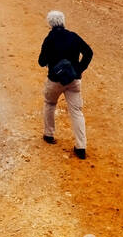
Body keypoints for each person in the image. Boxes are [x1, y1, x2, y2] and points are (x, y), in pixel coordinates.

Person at [38, 10, 92, 159]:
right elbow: (89, 52)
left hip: (54, 80)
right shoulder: (73, 36)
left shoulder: (49, 39)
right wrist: (79, 69)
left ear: (50, 24)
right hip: (73, 81)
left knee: (49, 103)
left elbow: (41, 62)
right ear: (63, 21)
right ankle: (81, 147)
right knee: (76, 112)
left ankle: (49, 134)